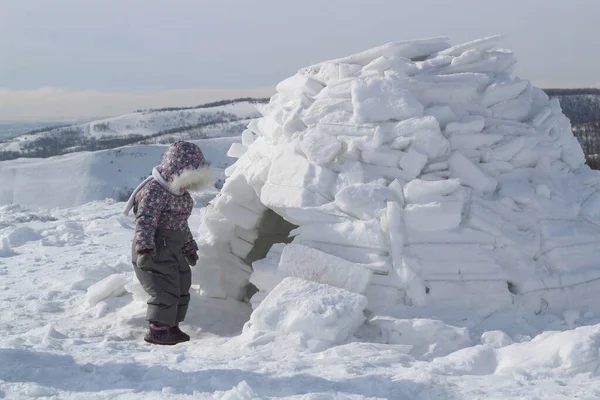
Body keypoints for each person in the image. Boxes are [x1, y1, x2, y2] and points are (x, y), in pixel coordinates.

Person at [123, 141, 212, 345]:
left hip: (175, 249)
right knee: (165, 289)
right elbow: (144, 220)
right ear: (177, 172)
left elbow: (182, 225)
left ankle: (172, 325)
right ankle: (158, 329)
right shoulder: (154, 191)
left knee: (181, 285)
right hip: (154, 249)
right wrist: (144, 247)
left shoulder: (182, 196)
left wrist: (189, 247)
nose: (190, 185)